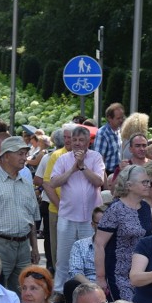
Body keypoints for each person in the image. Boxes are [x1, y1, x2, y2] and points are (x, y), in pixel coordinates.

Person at [0, 136, 41, 292]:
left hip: (24, 246)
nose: (25, 158)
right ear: (5, 156)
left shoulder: (26, 184)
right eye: (20, 153)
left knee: (23, 290)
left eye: (25, 153)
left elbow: (31, 219)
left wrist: (35, 248)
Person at [49, 125, 105, 291]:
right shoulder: (63, 159)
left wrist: (82, 166)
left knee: (90, 256)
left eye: (81, 140)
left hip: (90, 218)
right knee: (63, 256)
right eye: (75, 140)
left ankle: (89, 290)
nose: (78, 143)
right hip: (67, 215)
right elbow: (53, 182)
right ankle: (60, 289)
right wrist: (73, 168)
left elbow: (99, 182)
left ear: (88, 142)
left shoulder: (96, 158)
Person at [94, 165, 152, 301]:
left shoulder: (145, 207)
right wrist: (101, 278)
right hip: (118, 274)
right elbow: (99, 244)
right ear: (129, 185)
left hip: (141, 273)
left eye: (149, 182)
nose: (148, 185)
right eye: (144, 182)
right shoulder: (115, 209)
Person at [94, 103, 125, 175]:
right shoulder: (103, 133)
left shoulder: (119, 130)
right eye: (118, 118)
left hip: (119, 172)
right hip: (107, 173)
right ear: (109, 118)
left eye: (122, 117)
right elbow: (99, 160)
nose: (121, 120)